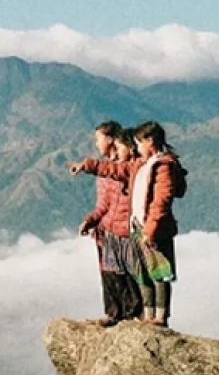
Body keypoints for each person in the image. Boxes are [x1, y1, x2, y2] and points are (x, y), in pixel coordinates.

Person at [70, 121, 180, 327]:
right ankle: (146, 315)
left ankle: (158, 316)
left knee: (157, 273)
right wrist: (87, 166)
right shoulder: (139, 166)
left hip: (147, 229)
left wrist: (151, 228)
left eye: (139, 143)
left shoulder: (161, 166)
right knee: (141, 274)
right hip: (135, 227)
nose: (137, 148)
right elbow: (112, 177)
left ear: (150, 141)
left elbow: (160, 201)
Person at [78, 123, 142, 326]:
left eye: (99, 139)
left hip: (126, 228)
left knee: (128, 272)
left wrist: (89, 165)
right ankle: (113, 312)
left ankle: (132, 313)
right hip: (107, 227)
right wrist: (91, 220)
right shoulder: (106, 169)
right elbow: (104, 204)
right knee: (109, 271)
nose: (96, 144)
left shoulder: (129, 166)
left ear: (111, 139)